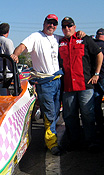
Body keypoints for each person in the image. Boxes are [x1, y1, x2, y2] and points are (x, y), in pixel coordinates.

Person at [11, 14, 65, 155]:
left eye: (54, 24)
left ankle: (54, 138)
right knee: (49, 113)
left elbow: (73, 38)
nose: (51, 26)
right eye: (49, 23)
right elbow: (21, 46)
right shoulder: (35, 36)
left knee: (57, 111)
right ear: (44, 23)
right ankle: (51, 144)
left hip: (58, 80)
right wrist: (15, 54)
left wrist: (80, 34)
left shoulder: (58, 38)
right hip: (45, 82)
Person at [58, 17, 103, 152]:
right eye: (64, 26)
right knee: (69, 116)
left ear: (74, 26)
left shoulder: (85, 39)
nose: (67, 28)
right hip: (68, 86)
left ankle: (91, 141)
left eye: (69, 26)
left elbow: (99, 54)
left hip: (85, 85)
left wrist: (97, 74)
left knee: (88, 115)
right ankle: (74, 141)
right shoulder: (59, 42)